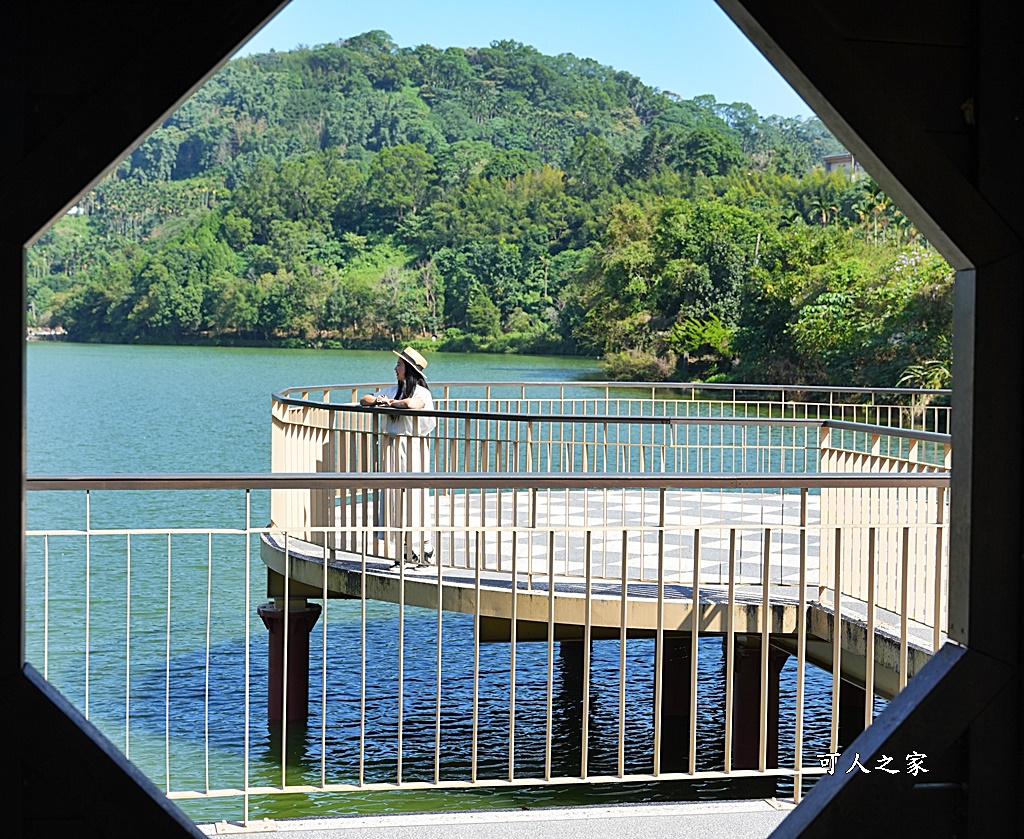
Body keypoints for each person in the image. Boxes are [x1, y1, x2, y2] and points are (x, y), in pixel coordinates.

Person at [360, 347, 437, 570]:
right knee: (394, 497)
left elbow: (414, 405)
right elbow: (365, 399)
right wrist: (378, 401)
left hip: (413, 448)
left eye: (399, 366)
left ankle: (425, 546)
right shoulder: (395, 389)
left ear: (410, 370)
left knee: (415, 495)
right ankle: (404, 550)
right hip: (392, 447)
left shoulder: (421, 392)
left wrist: (393, 404)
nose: (395, 369)